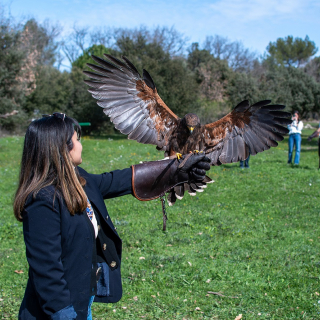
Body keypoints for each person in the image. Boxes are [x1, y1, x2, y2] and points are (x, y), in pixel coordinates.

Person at [13, 113, 211, 320]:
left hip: (80, 301)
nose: (81, 144)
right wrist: (65, 315)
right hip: (57, 311)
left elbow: (117, 181)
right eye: (77, 139)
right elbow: (47, 270)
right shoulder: (42, 201)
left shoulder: (76, 181)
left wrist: (174, 171)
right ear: (62, 147)